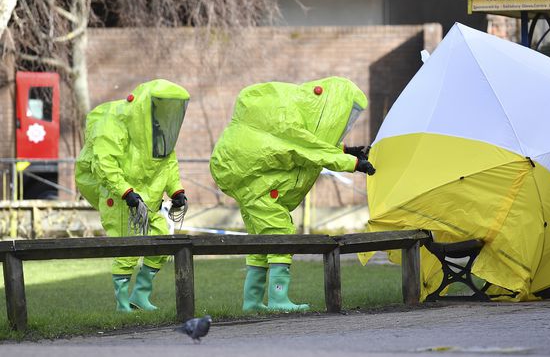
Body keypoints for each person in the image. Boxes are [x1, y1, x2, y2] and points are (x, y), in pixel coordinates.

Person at [210, 76, 376, 313]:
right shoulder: (288, 120)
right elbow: (306, 148)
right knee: (280, 233)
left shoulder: (291, 114)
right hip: (257, 185)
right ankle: (278, 299)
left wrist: (347, 151)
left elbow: (312, 142)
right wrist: (353, 163)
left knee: (261, 241)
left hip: (253, 183)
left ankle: (252, 302)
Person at [75, 79, 190, 312]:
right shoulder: (115, 123)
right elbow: (104, 163)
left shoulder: (161, 130)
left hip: (147, 198)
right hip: (119, 199)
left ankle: (140, 295)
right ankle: (122, 303)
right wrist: (125, 192)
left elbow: (168, 164)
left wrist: (176, 191)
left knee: (162, 241)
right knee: (127, 247)